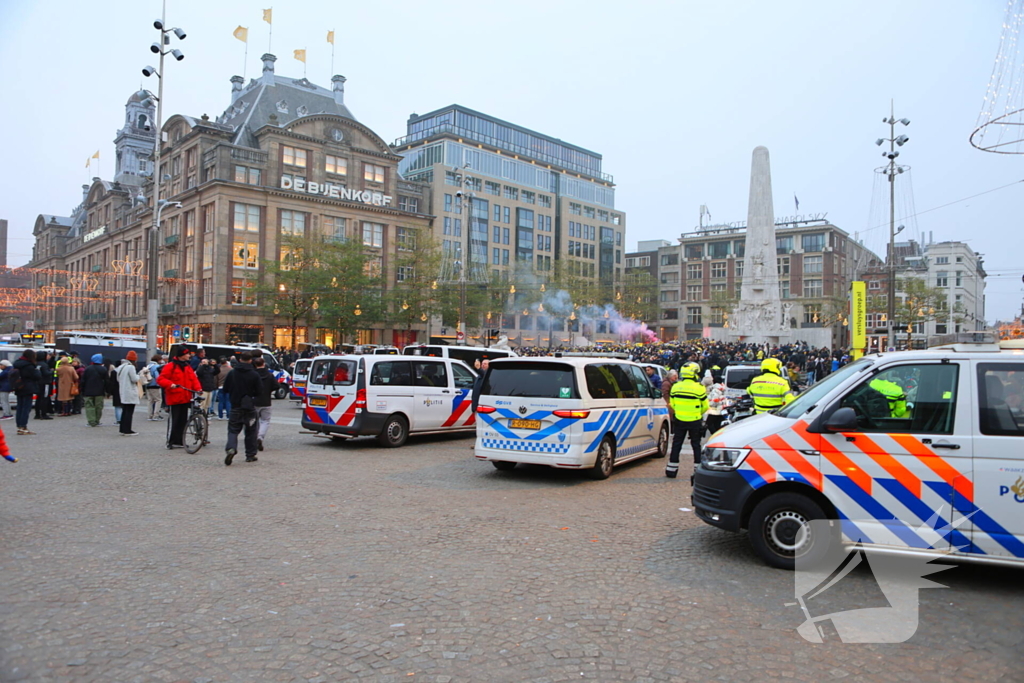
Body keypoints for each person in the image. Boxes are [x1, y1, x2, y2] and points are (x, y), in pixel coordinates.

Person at [667, 362, 708, 478]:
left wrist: (680, 411)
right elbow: (705, 406)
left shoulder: (676, 386)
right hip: (694, 420)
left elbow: (672, 404)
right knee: (696, 445)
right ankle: (697, 470)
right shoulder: (699, 388)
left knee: (676, 444)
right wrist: (697, 413)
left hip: (679, 419)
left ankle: (671, 470)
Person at [222, 350, 263, 465]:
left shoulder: (232, 373)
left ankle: (231, 448)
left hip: (235, 405)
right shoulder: (254, 374)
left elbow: (225, 388)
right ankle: (250, 455)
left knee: (233, 430)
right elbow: (259, 391)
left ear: (240, 360)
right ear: (250, 361)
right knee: (251, 431)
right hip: (249, 406)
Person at [157, 346, 202, 449]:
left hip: (186, 397)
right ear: (182, 355)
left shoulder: (187, 366)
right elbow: (161, 379)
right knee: (175, 420)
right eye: (187, 354)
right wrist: (170, 384)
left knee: (183, 421)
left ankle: (180, 440)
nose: (189, 355)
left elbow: (193, 379)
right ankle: (171, 441)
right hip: (175, 398)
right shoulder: (170, 366)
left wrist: (198, 389)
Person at [13, 349, 42, 435]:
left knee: (19, 407)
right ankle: (23, 427)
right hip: (27, 388)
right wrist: (37, 370)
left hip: (19, 387)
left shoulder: (17, 363)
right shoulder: (29, 366)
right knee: (26, 408)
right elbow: (37, 376)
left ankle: (19, 426)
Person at [252, 355, 276, 452]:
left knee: (253, 420)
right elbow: (276, 385)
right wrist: (269, 390)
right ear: (264, 364)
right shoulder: (269, 375)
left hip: (254, 400)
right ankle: (260, 436)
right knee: (265, 421)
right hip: (266, 400)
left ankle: (253, 437)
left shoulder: (253, 374)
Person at [115, 351, 141, 435]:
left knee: (125, 411)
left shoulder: (121, 367)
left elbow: (118, 379)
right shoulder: (131, 367)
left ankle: (122, 428)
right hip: (130, 391)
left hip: (123, 391)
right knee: (129, 412)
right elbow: (134, 379)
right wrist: (139, 376)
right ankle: (127, 430)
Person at [81, 354, 109, 428]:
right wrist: (108, 391)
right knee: (98, 407)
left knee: (89, 406)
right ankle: (97, 420)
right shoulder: (103, 369)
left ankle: (91, 421)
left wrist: (82, 390)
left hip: (88, 391)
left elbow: (83, 381)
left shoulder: (87, 369)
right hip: (99, 391)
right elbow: (107, 381)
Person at [142, 354, 164, 421]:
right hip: (155, 385)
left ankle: (149, 415)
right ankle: (155, 415)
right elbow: (157, 377)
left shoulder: (148, 366)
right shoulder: (156, 366)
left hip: (148, 384)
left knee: (150, 401)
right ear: (158, 360)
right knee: (158, 400)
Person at [34, 352, 54, 421]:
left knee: (38, 398)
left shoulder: (36, 364)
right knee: (45, 398)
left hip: (38, 383)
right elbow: (46, 373)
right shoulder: (44, 364)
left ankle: (37, 414)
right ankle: (44, 414)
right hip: (45, 383)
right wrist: (52, 371)